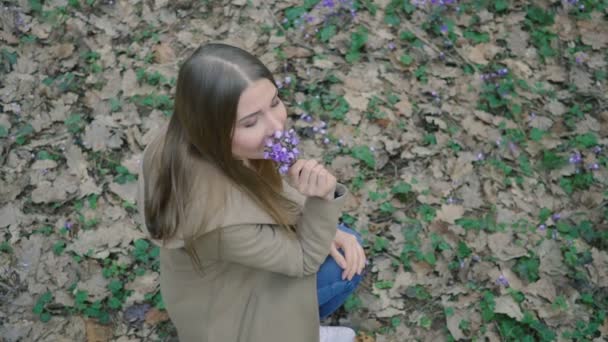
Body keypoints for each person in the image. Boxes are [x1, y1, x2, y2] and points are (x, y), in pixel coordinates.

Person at [136, 42, 368, 342]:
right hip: (232, 321)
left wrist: (326, 225)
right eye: (250, 122)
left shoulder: (188, 140)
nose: (276, 127)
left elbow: (266, 193)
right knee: (345, 263)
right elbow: (304, 260)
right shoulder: (215, 219)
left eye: (274, 102)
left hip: (223, 280)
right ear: (212, 127)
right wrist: (321, 203)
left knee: (342, 238)